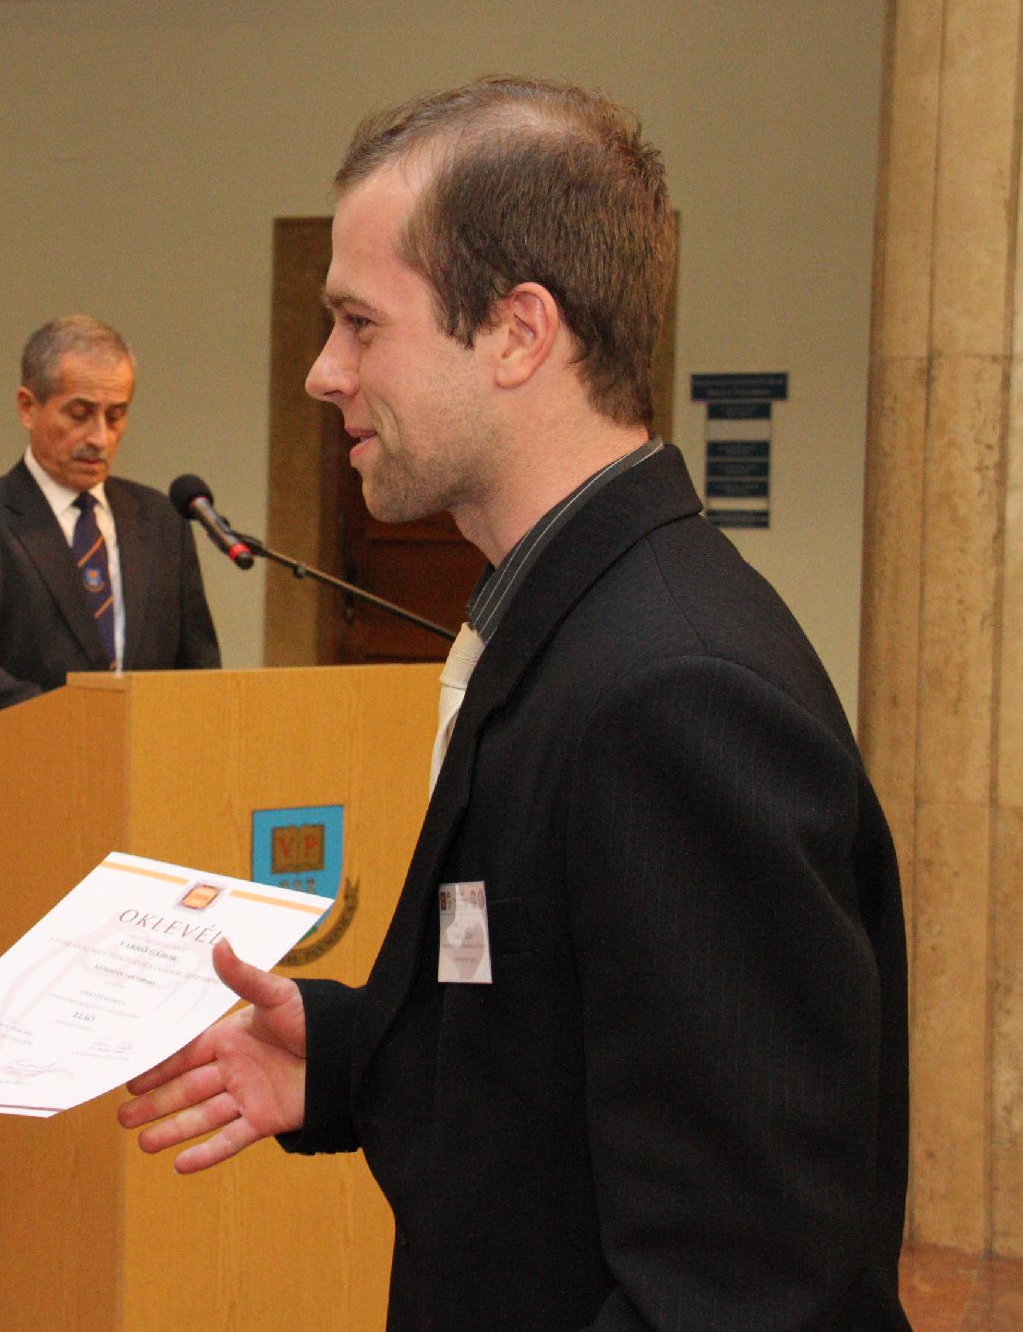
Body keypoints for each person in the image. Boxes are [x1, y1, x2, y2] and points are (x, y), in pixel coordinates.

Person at [118, 78, 911, 1330]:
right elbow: (570, 1033)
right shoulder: (567, 614)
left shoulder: (676, 689)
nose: (322, 372)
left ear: (515, 332)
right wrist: (352, 1054)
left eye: (359, 323)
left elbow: (742, 1279)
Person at [0, 314, 222, 1323]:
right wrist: (81, 737)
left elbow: (195, 669)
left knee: (118, 1086)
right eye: (79, 412)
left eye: (117, 414)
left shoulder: (158, 521)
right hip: (9, 842)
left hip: (137, 851)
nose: (99, 436)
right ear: (28, 406)